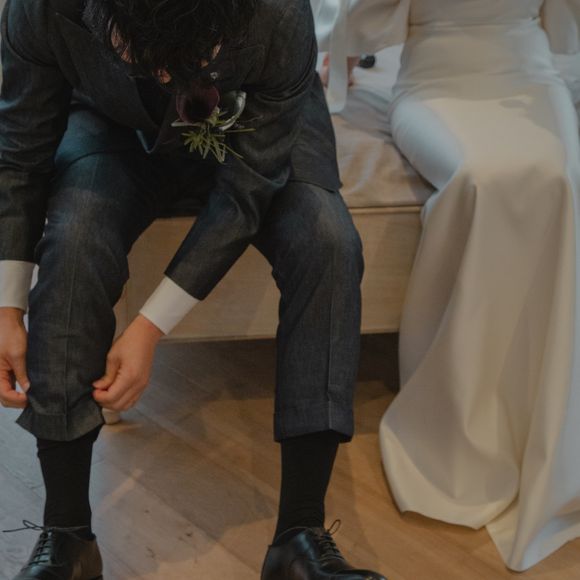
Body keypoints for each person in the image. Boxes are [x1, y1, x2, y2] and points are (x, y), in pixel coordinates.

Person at [0, 0, 388, 578]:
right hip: (114, 123)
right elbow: (20, 151)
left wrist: (149, 325)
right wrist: (6, 307)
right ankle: (68, 537)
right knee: (77, 233)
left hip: (270, 130)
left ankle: (299, 536)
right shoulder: (42, 6)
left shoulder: (278, 14)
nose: (162, 75)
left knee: (328, 243)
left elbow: (246, 191)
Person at [314, 0, 580, 572]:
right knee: (479, 177)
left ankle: (550, 428)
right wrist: (338, 62)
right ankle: (463, 423)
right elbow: (361, 17)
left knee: (557, 178)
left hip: (530, 73)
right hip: (438, 79)